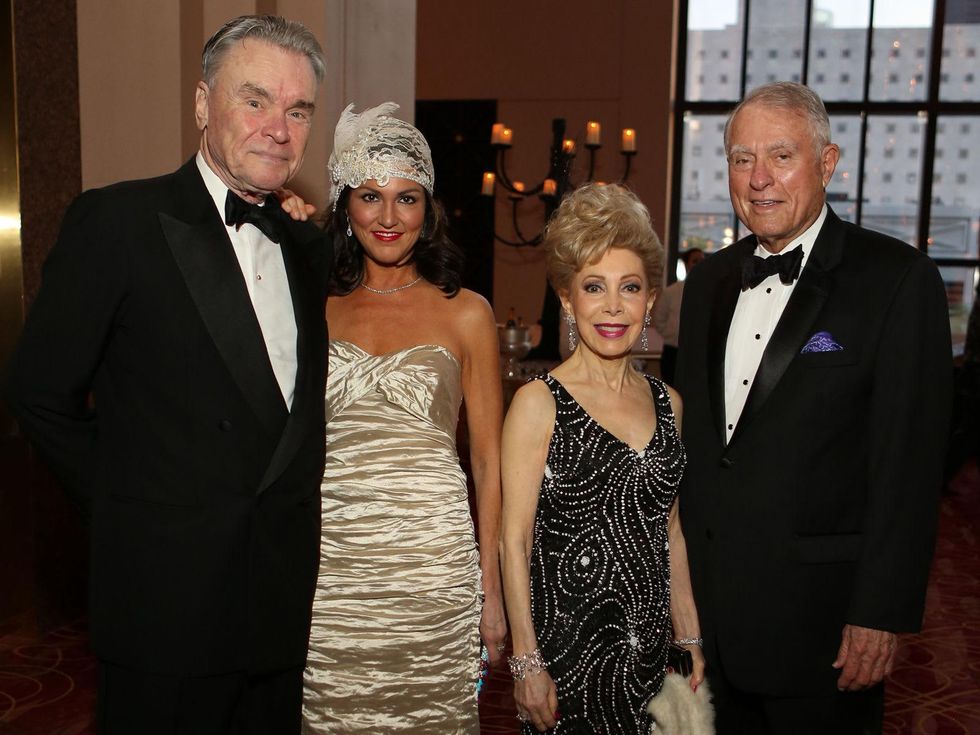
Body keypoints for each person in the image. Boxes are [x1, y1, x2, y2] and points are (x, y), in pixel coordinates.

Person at [4, 15, 329, 733]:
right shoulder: (119, 222)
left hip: (276, 604)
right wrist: (130, 508)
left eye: (297, 109)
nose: (279, 127)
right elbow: (36, 392)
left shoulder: (304, 246)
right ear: (203, 104)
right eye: (255, 100)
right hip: (165, 601)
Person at [675, 82, 953, 734]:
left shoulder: (897, 281)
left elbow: (907, 467)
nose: (759, 179)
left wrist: (880, 611)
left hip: (824, 628)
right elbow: (699, 452)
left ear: (826, 164)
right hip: (711, 619)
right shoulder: (709, 282)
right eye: (742, 159)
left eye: (781, 156)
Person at [300, 103, 507, 733]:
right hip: (332, 567)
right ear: (344, 204)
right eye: (370, 196)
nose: (388, 218)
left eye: (406, 198)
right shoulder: (315, 304)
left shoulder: (466, 312)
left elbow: (488, 461)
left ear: (430, 208)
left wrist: (490, 590)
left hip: (433, 565)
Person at [500, 183, 706, 733]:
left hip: (652, 649)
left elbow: (671, 529)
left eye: (630, 288)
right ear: (568, 299)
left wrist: (688, 634)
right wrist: (526, 660)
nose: (613, 307)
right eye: (595, 287)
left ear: (651, 301)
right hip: (569, 655)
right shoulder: (538, 403)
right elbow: (512, 541)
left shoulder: (670, 404)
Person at [652, 247, 705, 385]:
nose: (699, 264)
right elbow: (659, 319)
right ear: (686, 264)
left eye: (702, 261)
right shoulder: (671, 291)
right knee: (672, 391)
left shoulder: (710, 291)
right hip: (673, 352)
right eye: (695, 261)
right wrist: (673, 334)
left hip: (699, 352)